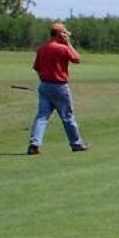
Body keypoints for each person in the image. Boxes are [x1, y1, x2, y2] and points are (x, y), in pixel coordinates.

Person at [29, 21, 88, 154]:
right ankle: (76, 144)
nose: (66, 36)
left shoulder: (42, 48)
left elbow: (37, 68)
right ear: (60, 34)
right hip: (60, 86)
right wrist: (68, 44)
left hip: (44, 85)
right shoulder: (62, 48)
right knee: (68, 117)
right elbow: (77, 59)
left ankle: (35, 143)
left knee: (42, 116)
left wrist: (44, 81)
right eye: (65, 34)